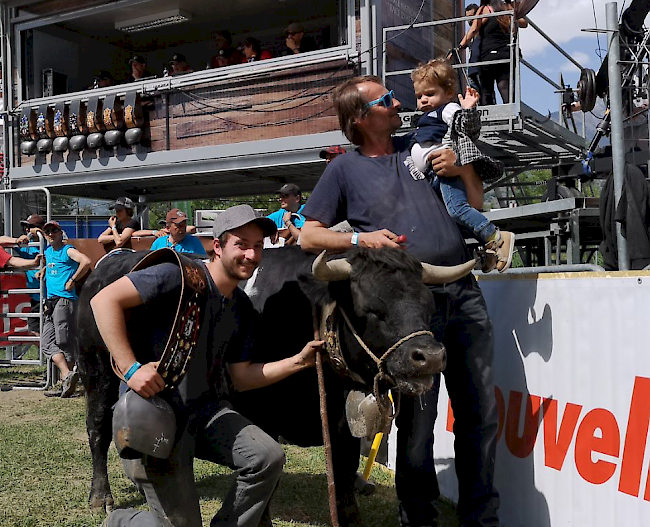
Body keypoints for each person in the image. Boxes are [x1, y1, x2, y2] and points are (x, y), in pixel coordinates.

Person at [300, 76, 500, 527]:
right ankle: (418, 519)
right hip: (407, 310)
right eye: (385, 99)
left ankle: (483, 521)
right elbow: (308, 235)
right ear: (359, 118)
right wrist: (359, 237)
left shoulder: (423, 144)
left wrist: (462, 167)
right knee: (415, 430)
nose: (397, 103)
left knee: (480, 417)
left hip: (463, 294)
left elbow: (475, 201)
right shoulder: (342, 169)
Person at [93, 204, 323, 527]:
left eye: (258, 246)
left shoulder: (241, 307)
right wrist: (131, 369)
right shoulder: (179, 276)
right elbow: (103, 301)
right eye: (241, 244)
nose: (251, 255)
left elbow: (241, 378)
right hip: (156, 414)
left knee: (267, 457)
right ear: (218, 246)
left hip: (204, 413)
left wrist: (297, 362)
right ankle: (120, 522)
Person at [410, 59, 514, 272]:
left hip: (446, 172)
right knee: (450, 219)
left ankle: (495, 236)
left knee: (457, 211)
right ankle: (488, 249)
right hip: (432, 175)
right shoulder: (424, 118)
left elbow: (466, 125)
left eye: (429, 94)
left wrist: (467, 110)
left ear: (448, 92)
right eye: (419, 96)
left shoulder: (448, 109)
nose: (423, 100)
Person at [40, 220, 90, 398]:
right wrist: (44, 270)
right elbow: (53, 266)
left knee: (64, 341)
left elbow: (86, 261)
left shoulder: (67, 250)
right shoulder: (48, 251)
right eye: (48, 232)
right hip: (51, 301)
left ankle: (67, 383)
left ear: (61, 233)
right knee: (46, 342)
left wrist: (73, 280)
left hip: (65, 300)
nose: (51, 234)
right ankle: (67, 375)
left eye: (54, 231)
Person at [458, 0, 527, 105]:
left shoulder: (485, 9)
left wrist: (460, 47)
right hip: (506, 53)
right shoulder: (508, 8)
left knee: (486, 92)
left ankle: (488, 117)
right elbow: (524, 23)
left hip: (488, 55)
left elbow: (473, 29)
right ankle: (511, 112)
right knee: (505, 88)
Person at [14, 214, 46, 334]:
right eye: (26, 227)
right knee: (34, 330)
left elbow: (63, 241)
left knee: (50, 331)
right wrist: (18, 240)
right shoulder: (28, 246)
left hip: (51, 295)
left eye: (30, 226)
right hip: (36, 297)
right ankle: (47, 352)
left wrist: (43, 235)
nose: (28, 230)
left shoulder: (50, 242)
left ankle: (51, 352)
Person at [464, 4, 482, 95]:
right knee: (474, 95)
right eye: (467, 17)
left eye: (471, 16)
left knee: (485, 95)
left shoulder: (483, 30)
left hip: (481, 67)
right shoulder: (470, 33)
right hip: (471, 69)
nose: (469, 20)